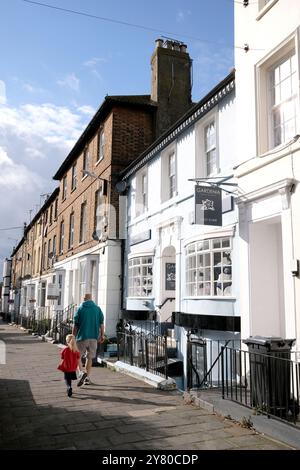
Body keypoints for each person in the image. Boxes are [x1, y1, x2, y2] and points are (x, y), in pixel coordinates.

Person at [72, 293, 104, 386]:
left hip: (82, 337)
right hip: (93, 337)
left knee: (77, 356)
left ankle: (81, 372)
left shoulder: (80, 309)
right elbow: (101, 324)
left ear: (84, 299)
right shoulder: (97, 309)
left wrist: (73, 337)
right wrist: (102, 335)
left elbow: (75, 325)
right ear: (91, 299)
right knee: (89, 358)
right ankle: (86, 378)